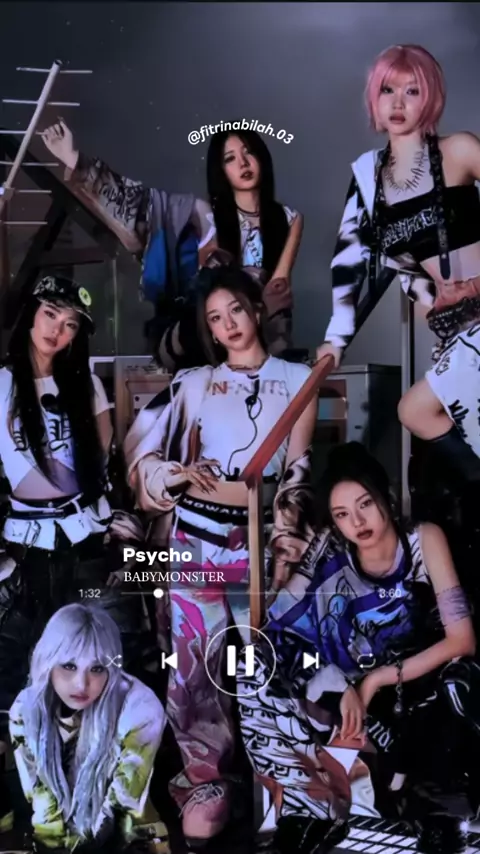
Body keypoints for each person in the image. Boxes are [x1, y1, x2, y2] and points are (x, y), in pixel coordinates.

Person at [123, 263, 317, 846]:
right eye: (214, 318)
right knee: (192, 670)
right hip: (194, 540)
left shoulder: (298, 377)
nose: (228, 324)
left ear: (256, 309)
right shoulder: (193, 383)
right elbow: (138, 451)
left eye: (235, 309)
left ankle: (281, 781)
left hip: (258, 542)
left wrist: (286, 540)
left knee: (269, 664)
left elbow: (298, 472)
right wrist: (175, 473)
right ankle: (205, 782)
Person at [237, 443, 479, 854]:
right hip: (348, 684)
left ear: (386, 496)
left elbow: (462, 639)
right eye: (342, 514)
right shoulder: (330, 548)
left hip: (418, 684)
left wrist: (375, 681)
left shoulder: (422, 539)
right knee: (253, 666)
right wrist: (337, 683)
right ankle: (309, 810)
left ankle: (428, 807)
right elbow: (279, 626)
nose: (357, 522)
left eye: (365, 504)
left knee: (458, 686)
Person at [0, 275, 137, 837]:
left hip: (84, 542)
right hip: (23, 548)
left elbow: (102, 465)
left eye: (71, 323)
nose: (58, 329)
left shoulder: (88, 386)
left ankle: (94, 802)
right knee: (21, 675)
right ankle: (25, 800)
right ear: (31, 314)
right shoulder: (3, 383)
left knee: (93, 669)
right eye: (50, 315)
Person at [316, 44, 480, 481]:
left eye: (412, 91)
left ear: (431, 97)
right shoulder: (369, 179)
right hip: (454, 332)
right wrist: (335, 340)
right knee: (418, 417)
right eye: (388, 90)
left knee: (415, 410)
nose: (398, 103)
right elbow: (349, 262)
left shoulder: (459, 150)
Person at [40, 120, 217, 372]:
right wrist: (72, 158)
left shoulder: (264, 229)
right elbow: (136, 205)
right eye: (228, 160)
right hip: (189, 348)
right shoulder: (189, 217)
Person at [9, 603, 169, 853]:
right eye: (69, 666)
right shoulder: (25, 711)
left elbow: (122, 803)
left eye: (96, 669)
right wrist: (54, 845)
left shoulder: (141, 708)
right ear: (47, 661)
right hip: (58, 837)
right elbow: (42, 799)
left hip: (127, 836)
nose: (81, 684)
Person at [205, 127, 304, 355]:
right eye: (230, 158)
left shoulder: (290, 218)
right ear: (220, 170)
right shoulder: (209, 218)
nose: (243, 163)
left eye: (249, 152)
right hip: (225, 323)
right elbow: (210, 287)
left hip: (270, 316)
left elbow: (279, 283)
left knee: (278, 299)